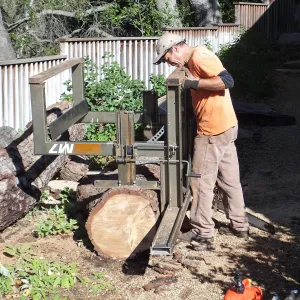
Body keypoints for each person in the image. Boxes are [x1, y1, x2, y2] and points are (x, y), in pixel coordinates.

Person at [154, 33, 249, 243]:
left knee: (200, 182)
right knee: (229, 180)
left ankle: (202, 231)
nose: (168, 63)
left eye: (167, 58)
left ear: (175, 49)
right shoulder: (195, 58)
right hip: (226, 126)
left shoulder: (199, 56)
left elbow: (226, 81)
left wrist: (193, 84)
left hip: (212, 130)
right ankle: (239, 224)